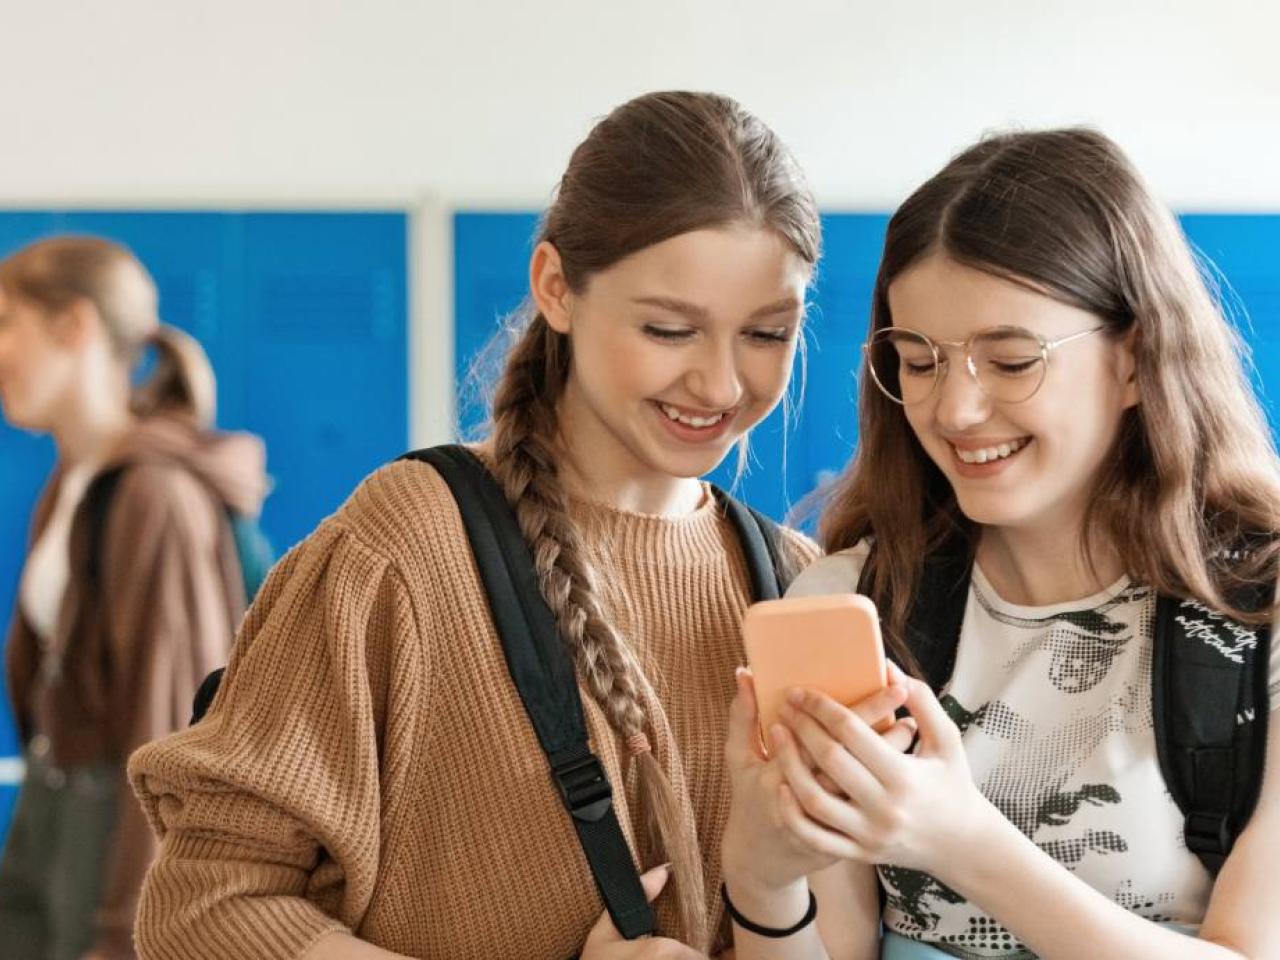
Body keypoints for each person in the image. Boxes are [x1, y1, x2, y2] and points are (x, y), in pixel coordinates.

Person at [128, 90, 821, 960]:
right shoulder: (405, 547)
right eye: (669, 329)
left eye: (767, 333)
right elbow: (203, 911)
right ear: (556, 288)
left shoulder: (798, 582)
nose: (722, 386)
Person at [720, 128, 1280, 959]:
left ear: (1135, 359)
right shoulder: (856, 604)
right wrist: (762, 876)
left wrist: (961, 842)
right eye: (918, 362)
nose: (954, 412)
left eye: (1012, 361)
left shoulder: (1258, 608)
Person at [0, 236, 269, 960]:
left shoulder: (154, 496)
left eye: (6, 324)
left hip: (115, 844)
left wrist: (127, 931)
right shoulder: (73, 482)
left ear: (75, 328)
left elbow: (168, 728)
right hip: (55, 814)